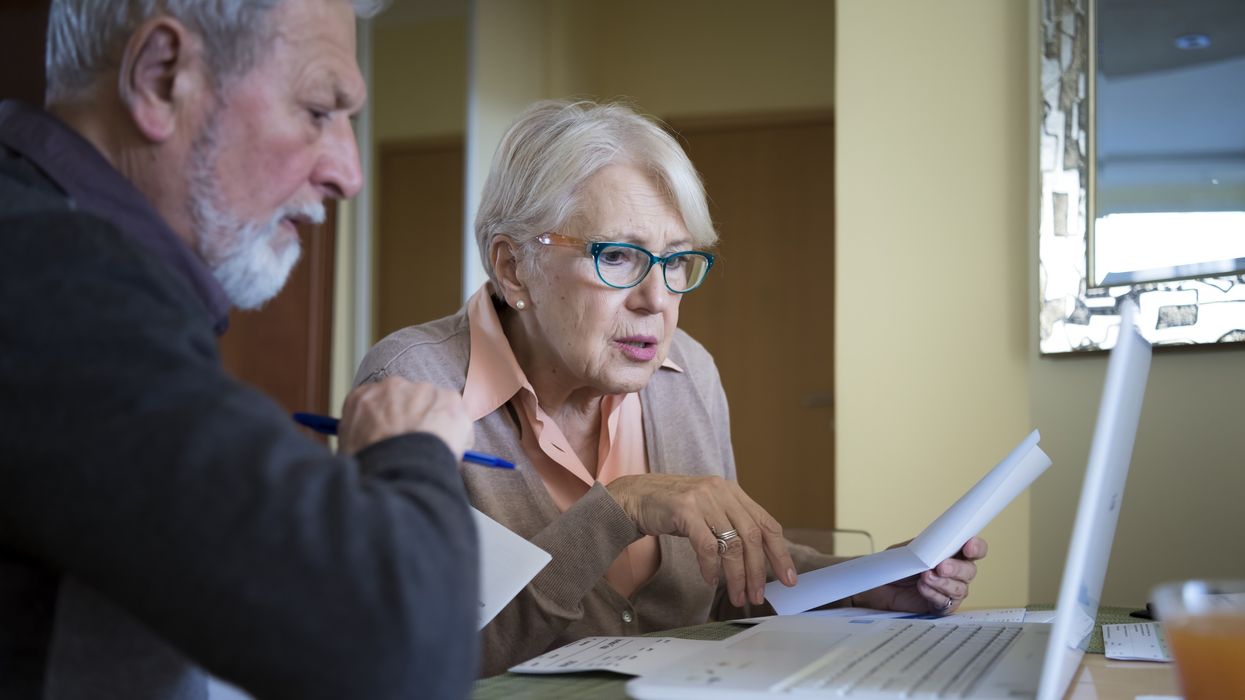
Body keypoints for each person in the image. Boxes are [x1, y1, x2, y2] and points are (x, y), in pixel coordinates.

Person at [355, 99, 989, 675]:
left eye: (676, 259)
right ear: (513, 265)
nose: (657, 301)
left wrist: (873, 582)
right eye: (618, 257)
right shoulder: (412, 386)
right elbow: (430, 654)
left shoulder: (688, 372)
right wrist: (622, 508)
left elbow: (724, 585)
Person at [0, 1, 481, 698]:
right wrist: (412, 451)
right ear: (163, 77)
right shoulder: (51, 282)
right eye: (319, 109)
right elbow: (402, 654)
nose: (349, 174)